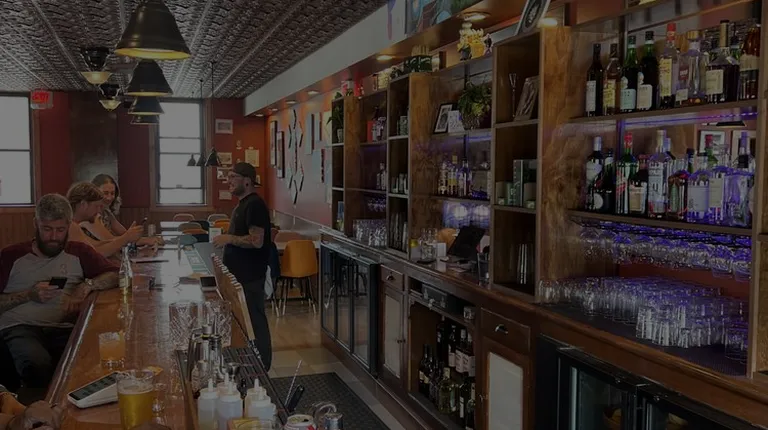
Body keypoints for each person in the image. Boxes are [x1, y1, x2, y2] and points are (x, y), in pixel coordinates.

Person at [0, 194, 119, 402]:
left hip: (64, 327)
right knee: (36, 363)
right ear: (36, 224)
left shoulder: (79, 252)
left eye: (60, 230)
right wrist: (28, 295)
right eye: (47, 229)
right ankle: (33, 410)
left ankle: (72, 409)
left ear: (69, 226)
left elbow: (115, 274)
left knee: (92, 357)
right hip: (20, 326)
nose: (54, 236)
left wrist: (87, 286)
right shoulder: (11, 255)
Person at [212, 162, 273, 370]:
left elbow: (257, 241)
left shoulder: (254, 205)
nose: (228, 181)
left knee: (254, 322)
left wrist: (229, 238)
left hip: (250, 276)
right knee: (244, 323)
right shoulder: (243, 204)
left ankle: (262, 366)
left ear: (247, 181)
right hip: (240, 275)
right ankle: (248, 364)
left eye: (232, 177)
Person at [65, 182, 144, 258]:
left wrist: (127, 238)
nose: (99, 211)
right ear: (83, 204)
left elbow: (96, 245)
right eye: (96, 206)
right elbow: (96, 252)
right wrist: (126, 238)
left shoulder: (74, 225)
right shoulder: (70, 226)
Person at [82, 175, 163, 247]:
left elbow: (124, 234)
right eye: (105, 193)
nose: (109, 197)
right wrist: (143, 240)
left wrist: (149, 239)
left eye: (112, 193)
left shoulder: (107, 213)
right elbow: (110, 241)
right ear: (94, 192)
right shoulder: (89, 215)